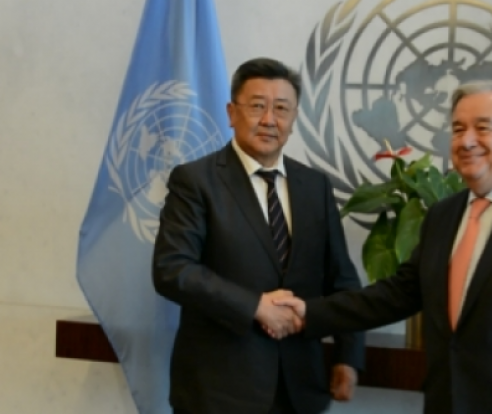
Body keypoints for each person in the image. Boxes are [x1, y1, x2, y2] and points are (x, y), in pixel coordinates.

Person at [277, 81, 492, 414]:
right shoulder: (442, 215)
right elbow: (397, 295)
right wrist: (309, 313)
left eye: (483, 127)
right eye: (458, 129)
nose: (467, 141)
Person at [152, 57, 365, 414]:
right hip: (219, 391)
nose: (269, 119)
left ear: (294, 118)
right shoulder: (196, 181)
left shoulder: (315, 186)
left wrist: (349, 355)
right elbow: (173, 270)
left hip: (301, 389)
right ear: (231, 113)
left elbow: (342, 279)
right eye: (257, 106)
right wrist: (255, 306)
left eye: (281, 108)